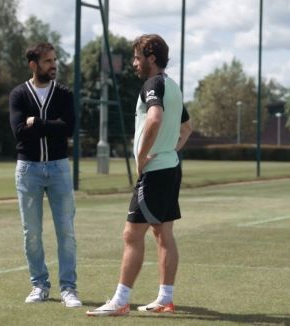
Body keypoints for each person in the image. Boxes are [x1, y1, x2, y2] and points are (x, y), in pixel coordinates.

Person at [87, 34, 185, 317]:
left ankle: (120, 301)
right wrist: (170, 149)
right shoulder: (173, 87)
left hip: (155, 172)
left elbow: (154, 118)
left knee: (132, 234)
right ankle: (165, 298)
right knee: (163, 233)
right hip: (170, 168)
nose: (134, 63)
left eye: (137, 57)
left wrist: (142, 158)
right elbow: (187, 126)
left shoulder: (152, 84)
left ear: (151, 59)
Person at [8, 42, 81, 308]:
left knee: (66, 231)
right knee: (32, 233)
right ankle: (39, 285)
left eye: (54, 60)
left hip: (59, 168)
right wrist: (49, 127)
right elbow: (19, 133)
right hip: (28, 170)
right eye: (48, 61)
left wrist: (36, 123)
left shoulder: (63, 93)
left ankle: (68, 288)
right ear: (33, 65)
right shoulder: (18, 94)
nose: (54, 65)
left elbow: (68, 129)